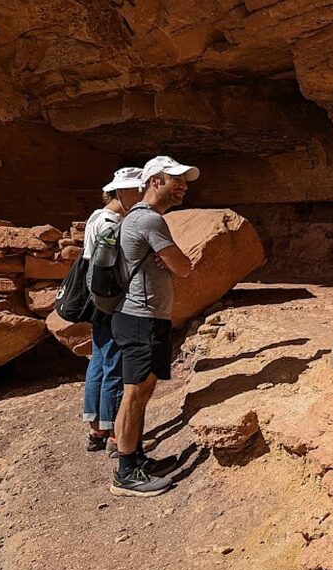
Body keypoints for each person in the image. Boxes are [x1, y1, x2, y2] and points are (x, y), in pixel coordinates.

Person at [110, 156, 197, 497]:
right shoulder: (149, 221)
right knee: (134, 393)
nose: (184, 187)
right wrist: (176, 259)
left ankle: (136, 458)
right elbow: (185, 267)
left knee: (140, 393)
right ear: (155, 180)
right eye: (176, 180)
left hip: (141, 317)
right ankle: (126, 473)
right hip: (141, 317)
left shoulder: (139, 219)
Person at [81, 168, 143, 454]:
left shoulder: (96, 217)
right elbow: (112, 265)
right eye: (136, 190)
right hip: (109, 300)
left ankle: (96, 429)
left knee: (98, 361)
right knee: (115, 365)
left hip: (95, 300)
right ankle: (116, 434)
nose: (142, 195)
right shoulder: (110, 224)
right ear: (121, 192)